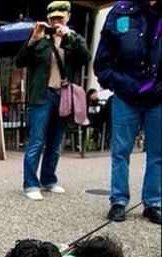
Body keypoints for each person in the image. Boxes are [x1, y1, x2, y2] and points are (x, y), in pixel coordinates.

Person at [94, 0, 161, 224]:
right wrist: (122, 83)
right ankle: (118, 201)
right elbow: (102, 64)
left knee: (157, 154)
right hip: (126, 94)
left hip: (158, 97)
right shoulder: (120, 11)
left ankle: (153, 203)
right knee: (120, 151)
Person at [15, 1, 91, 200]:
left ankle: (49, 179)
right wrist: (33, 39)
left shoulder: (73, 39)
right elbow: (19, 61)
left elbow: (86, 57)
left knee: (56, 142)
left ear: (68, 17)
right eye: (52, 18)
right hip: (42, 96)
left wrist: (70, 36)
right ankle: (30, 184)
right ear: (47, 19)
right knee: (36, 140)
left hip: (64, 96)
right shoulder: (39, 39)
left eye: (60, 17)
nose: (56, 21)